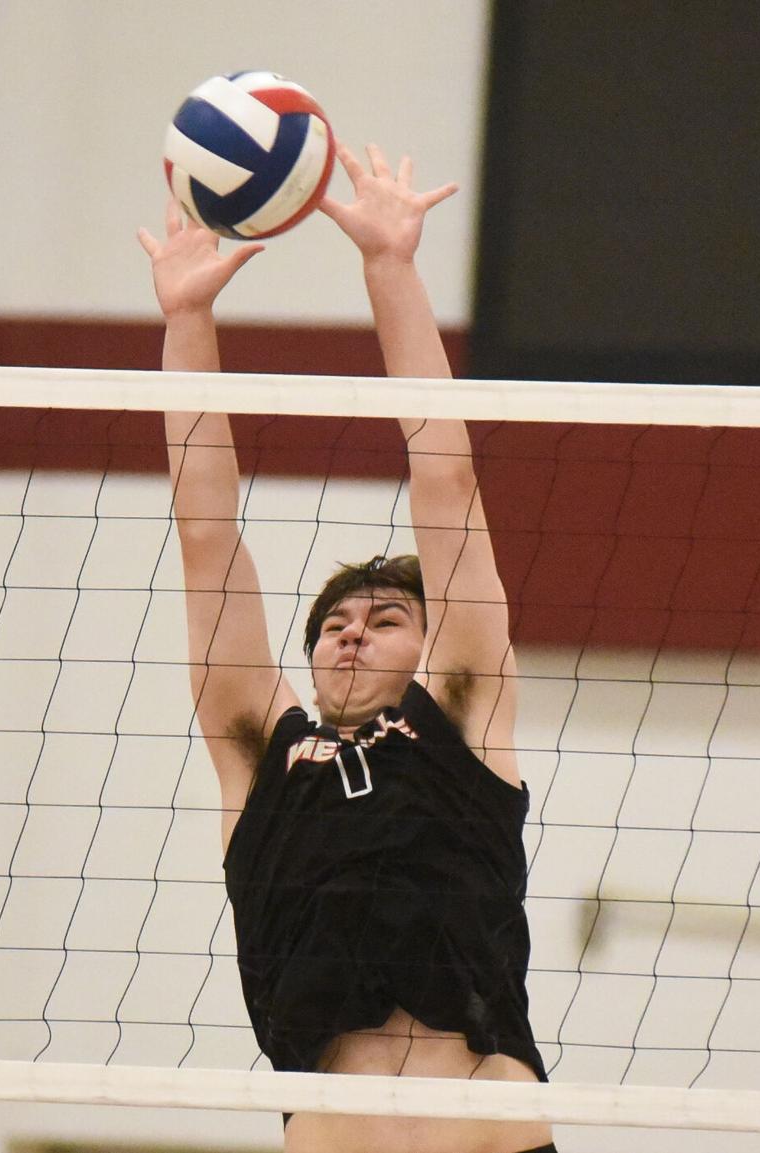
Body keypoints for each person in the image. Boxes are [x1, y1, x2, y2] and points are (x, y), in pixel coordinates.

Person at [139, 143, 555, 1153]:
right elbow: (206, 537)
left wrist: (390, 268)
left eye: (386, 619)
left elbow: (446, 480)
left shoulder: (461, 718)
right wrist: (187, 321)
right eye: (334, 623)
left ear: (432, 647)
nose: (353, 631)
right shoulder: (261, 752)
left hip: (487, 1130)